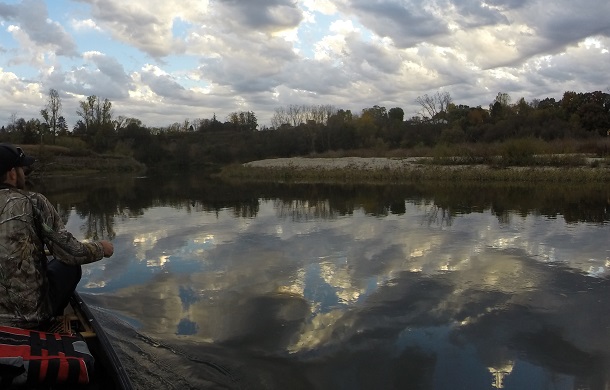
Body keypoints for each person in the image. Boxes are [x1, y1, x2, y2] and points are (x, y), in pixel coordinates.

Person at [0, 143, 113, 329]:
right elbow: (70, 253)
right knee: (69, 266)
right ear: (12, 173)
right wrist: (101, 248)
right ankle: (51, 322)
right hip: (30, 316)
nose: (24, 174)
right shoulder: (34, 202)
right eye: (22, 169)